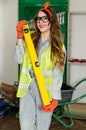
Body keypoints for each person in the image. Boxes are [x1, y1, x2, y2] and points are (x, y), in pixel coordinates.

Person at [16, 1, 66, 130]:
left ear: (52, 21)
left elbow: (57, 74)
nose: (41, 22)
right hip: (27, 88)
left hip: (45, 91)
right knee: (26, 126)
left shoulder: (58, 47)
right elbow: (18, 59)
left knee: (42, 127)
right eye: (38, 19)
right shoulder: (30, 39)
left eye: (45, 19)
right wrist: (20, 37)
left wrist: (55, 99)